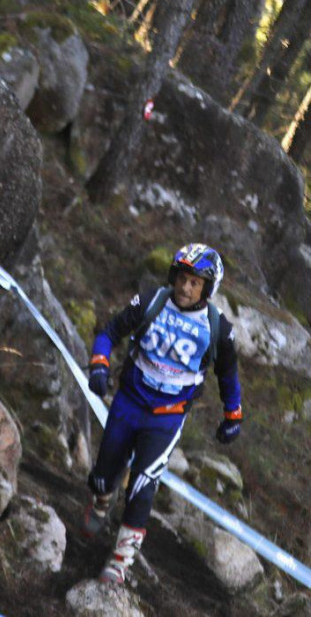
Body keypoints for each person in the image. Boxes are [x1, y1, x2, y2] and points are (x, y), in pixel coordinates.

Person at [81, 243, 242, 584]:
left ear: (207, 290)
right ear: (174, 276)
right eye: (183, 278)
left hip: (166, 418)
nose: (186, 287)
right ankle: (101, 500)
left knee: (142, 486)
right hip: (128, 400)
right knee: (102, 473)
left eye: (195, 283)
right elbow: (110, 332)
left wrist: (233, 415)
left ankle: (121, 560)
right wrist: (99, 366)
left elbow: (227, 376)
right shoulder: (151, 301)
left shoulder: (218, 329)